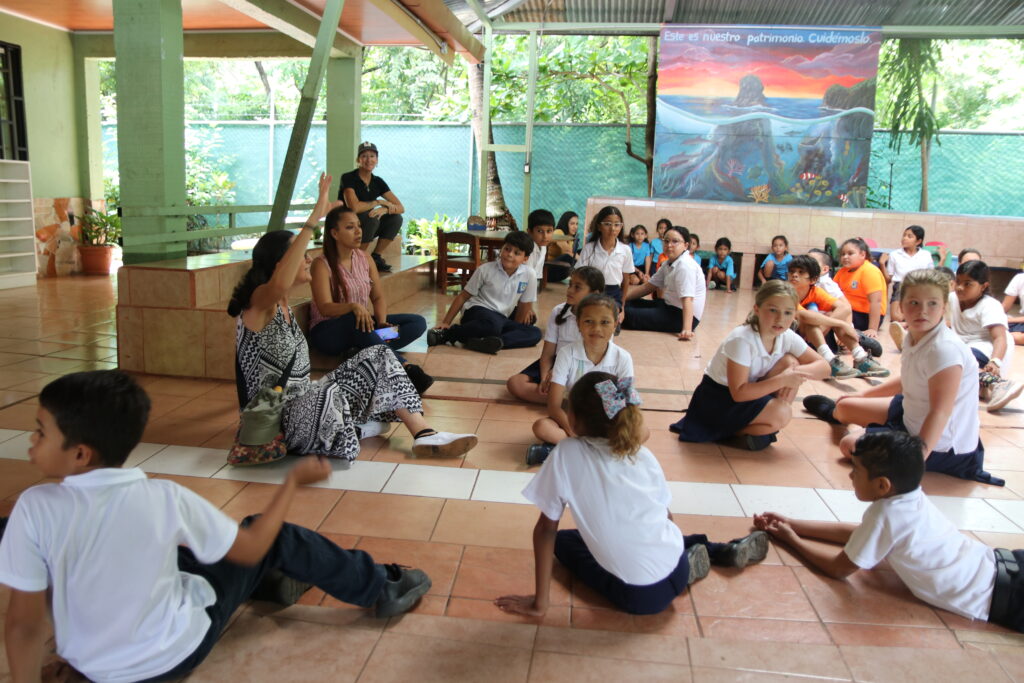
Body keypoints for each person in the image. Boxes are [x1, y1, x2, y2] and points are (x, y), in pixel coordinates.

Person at [0, 370, 433, 682]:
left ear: (80, 454)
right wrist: (290, 484)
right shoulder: (162, 499)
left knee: (171, 553)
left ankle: (269, 581)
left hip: (92, 668)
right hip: (174, 653)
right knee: (267, 532)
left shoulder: (33, 510)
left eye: (39, 432)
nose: (30, 441)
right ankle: (382, 586)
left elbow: (21, 625)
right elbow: (247, 548)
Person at [230, 173, 477, 460]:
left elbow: (378, 296)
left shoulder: (356, 263)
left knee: (384, 352)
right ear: (279, 264)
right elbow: (318, 303)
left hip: (346, 355)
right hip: (279, 417)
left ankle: (423, 434)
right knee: (343, 367)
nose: (307, 258)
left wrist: (380, 323)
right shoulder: (259, 304)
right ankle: (355, 426)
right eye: (300, 256)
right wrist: (313, 220)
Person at [495, 372, 770, 618]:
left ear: (574, 419)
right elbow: (666, 517)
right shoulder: (641, 452)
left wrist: (539, 604)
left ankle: (687, 561)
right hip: (675, 566)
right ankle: (711, 552)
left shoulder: (567, 453)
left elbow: (545, 529)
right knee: (643, 526)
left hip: (645, 598)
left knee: (564, 542)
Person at [754, 430, 1024, 634]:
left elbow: (839, 569)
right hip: (1002, 564)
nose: (850, 477)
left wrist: (792, 540)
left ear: (882, 485)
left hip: (1002, 597)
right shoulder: (911, 498)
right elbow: (862, 535)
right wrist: (795, 523)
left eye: (856, 471)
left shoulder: (885, 514)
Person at [802, 268, 1004, 486]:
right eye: (914, 302)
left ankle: (873, 432)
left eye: (932, 304)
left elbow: (940, 412)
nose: (922, 311)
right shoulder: (914, 336)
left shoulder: (945, 349)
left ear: (944, 307)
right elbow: (908, 379)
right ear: (901, 306)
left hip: (942, 445)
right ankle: (848, 418)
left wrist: (916, 458)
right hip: (911, 412)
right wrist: (863, 395)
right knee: (845, 406)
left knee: (849, 444)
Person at [670, 280, 830, 450]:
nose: (780, 319)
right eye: (773, 310)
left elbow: (824, 367)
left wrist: (796, 373)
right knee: (782, 412)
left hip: (751, 392)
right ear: (757, 309)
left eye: (788, 312)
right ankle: (735, 430)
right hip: (719, 398)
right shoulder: (742, 339)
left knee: (791, 363)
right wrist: (784, 379)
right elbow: (738, 393)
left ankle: (764, 423)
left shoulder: (786, 336)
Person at [308, 204, 431, 393]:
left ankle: (363, 349)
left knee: (416, 323)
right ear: (334, 233)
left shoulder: (365, 258)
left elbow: (378, 297)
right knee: (354, 319)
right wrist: (353, 307)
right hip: (329, 334)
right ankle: (404, 368)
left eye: (359, 225)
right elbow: (324, 307)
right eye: (350, 227)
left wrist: (381, 322)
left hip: (362, 328)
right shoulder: (321, 264)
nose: (358, 231)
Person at [527, 294, 634, 465]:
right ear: (578, 324)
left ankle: (560, 452)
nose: (596, 328)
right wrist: (574, 432)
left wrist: (610, 429)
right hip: (573, 419)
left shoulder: (623, 358)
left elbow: (622, 407)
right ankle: (597, 454)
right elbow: (554, 406)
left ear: (615, 324)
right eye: (588, 321)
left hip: (606, 420)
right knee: (541, 426)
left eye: (605, 322)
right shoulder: (567, 353)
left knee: (642, 431)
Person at [428, 231, 542, 354]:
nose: (509, 254)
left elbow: (524, 305)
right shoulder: (485, 270)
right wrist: (446, 322)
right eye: (507, 249)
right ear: (501, 249)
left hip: (502, 317)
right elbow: (463, 297)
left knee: (535, 333)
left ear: (525, 258)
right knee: (493, 326)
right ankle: (448, 334)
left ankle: (489, 342)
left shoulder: (529, 274)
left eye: (516, 253)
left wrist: (516, 328)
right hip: (477, 311)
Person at [506, 266, 605, 405]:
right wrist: (545, 378)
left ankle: (565, 399)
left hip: (586, 365)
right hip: (557, 362)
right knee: (515, 383)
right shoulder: (558, 311)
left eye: (577, 287)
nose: (569, 290)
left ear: (594, 293)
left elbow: (597, 359)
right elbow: (547, 353)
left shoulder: (603, 318)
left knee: (607, 397)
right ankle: (571, 402)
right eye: (570, 285)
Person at [787, 254, 889, 379]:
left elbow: (845, 307)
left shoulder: (815, 291)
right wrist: (842, 324)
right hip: (787, 339)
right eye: (792, 272)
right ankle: (829, 361)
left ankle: (860, 357)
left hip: (813, 337)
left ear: (813, 280)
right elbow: (804, 315)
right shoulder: (785, 292)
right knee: (813, 318)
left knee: (828, 316)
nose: (795, 275)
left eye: (801, 272)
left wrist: (832, 324)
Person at [948, 259, 1022, 412]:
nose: (960, 287)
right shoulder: (952, 298)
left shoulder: (990, 305)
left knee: (955, 362)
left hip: (989, 348)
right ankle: (985, 385)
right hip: (963, 348)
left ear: (983, 286)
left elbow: (1000, 338)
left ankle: (998, 383)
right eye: (958, 281)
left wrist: (995, 362)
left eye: (968, 284)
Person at [622, 225, 705, 339]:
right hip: (668, 306)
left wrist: (686, 329)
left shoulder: (685, 266)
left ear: (685, 245)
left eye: (675, 241)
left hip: (681, 316)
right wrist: (622, 299)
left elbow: (687, 299)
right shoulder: (668, 263)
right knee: (629, 303)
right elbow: (648, 287)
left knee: (628, 314)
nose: (669, 245)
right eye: (666, 241)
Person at [338, 141, 404, 273]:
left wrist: (386, 209)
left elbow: (400, 207)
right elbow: (354, 208)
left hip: (366, 222)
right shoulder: (348, 177)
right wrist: (377, 202)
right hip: (346, 222)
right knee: (372, 217)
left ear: (377, 159)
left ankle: (376, 256)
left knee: (396, 218)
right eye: (364, 156)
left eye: (372, 156)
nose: (369, 160)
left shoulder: (377, 181)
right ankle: (356, 257)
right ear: (358, 160)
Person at [576, 206, 634, 323]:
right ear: (599, 226)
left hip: (613, 292)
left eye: (617, 224)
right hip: (591, 290)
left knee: (609, 318)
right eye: (607, 224)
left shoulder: (625, 250)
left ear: (621, 226)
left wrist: (622, 307)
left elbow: (626, 281)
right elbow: (579, 276)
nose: (612, 228)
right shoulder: (589, 248)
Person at [833, 238, 887, 340]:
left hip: (865, 316)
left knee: (830, 316)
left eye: (850, 253)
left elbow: (876, 302)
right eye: (843, 254)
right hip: (849, 312)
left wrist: (872, 329)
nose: (845, 257)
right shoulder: (842, 272)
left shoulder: (869, 271)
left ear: (862, 255)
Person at [882, 225, 933, 325]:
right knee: (896, 318)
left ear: (918, 241)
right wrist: (882, 264)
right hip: (901, 288)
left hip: (920, 287)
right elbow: (888, 279)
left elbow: (932, 275)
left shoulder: (925, 255)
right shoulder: (895, 254)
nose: (904, 238)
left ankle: (910, 315)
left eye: (909, 236)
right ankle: (912, 315)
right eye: (904, 235)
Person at [525, 208, 555, 292]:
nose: (545, 236)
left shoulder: (543, 246)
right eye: (540, 231)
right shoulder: (528, 248)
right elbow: (526, 274)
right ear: (529, 232)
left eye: (549, 231)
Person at [547, 210, 578, 282]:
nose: (575, 227)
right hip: (547, 270)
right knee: (568, 256)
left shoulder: (570, 239)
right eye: (572, 224)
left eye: (577, 224)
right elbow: (567, 252)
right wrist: (584, 263)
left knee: (581, 251)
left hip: (559, 272)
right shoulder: (558, 232)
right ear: (565, 223)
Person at [1001, 268, 1024, 346]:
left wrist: (1010, 320)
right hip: (1020, 322)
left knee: (1017, 337)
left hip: (1018, 321)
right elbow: (1004, 307)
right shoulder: (1020, 278)